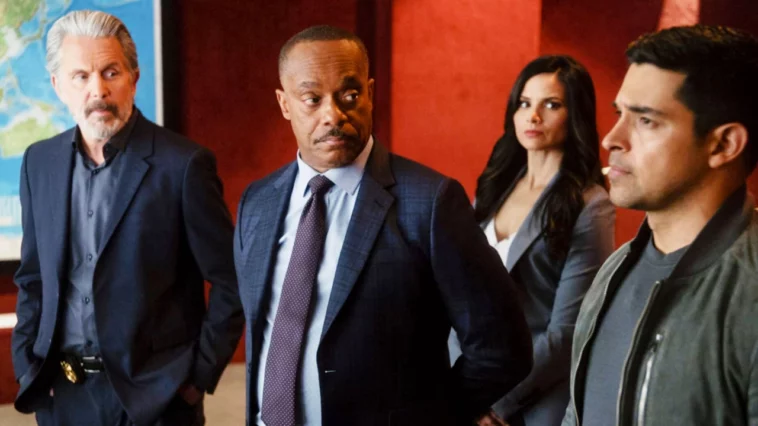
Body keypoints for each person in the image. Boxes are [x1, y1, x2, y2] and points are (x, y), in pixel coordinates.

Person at [233, 25, 533, 426]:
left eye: (349, 95)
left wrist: (434, 417)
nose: (333, 115)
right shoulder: (257, 203)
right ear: (284, 104)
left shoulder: (431, 202)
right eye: (312, 99)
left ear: (370, 94)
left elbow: (503, 347)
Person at [11, 10, 244, 426]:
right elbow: (33, 278)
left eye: (111, 72)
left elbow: (233, 281)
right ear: (57, 86)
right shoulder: (38, 162)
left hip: (156, 400)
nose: (98, 90)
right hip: (62, 395)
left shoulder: (183, 166)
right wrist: (27, 363)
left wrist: (195, 378)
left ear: (134, 79)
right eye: (81, 76)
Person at [561, 25, 758, 426]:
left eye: (646, 120)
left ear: (723, 144)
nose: (611, 139)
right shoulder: (614, 270)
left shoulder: (749, 292)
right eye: (620, 114)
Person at [462, 56, 615, 426]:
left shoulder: (592, 205)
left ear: (575, 114)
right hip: (468, 389)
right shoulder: (492, 189)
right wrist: (462, 390)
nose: (532, 116)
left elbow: (568, 332)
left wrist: (498, 405)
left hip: (532, 402)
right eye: (524, 103)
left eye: (551, 104)